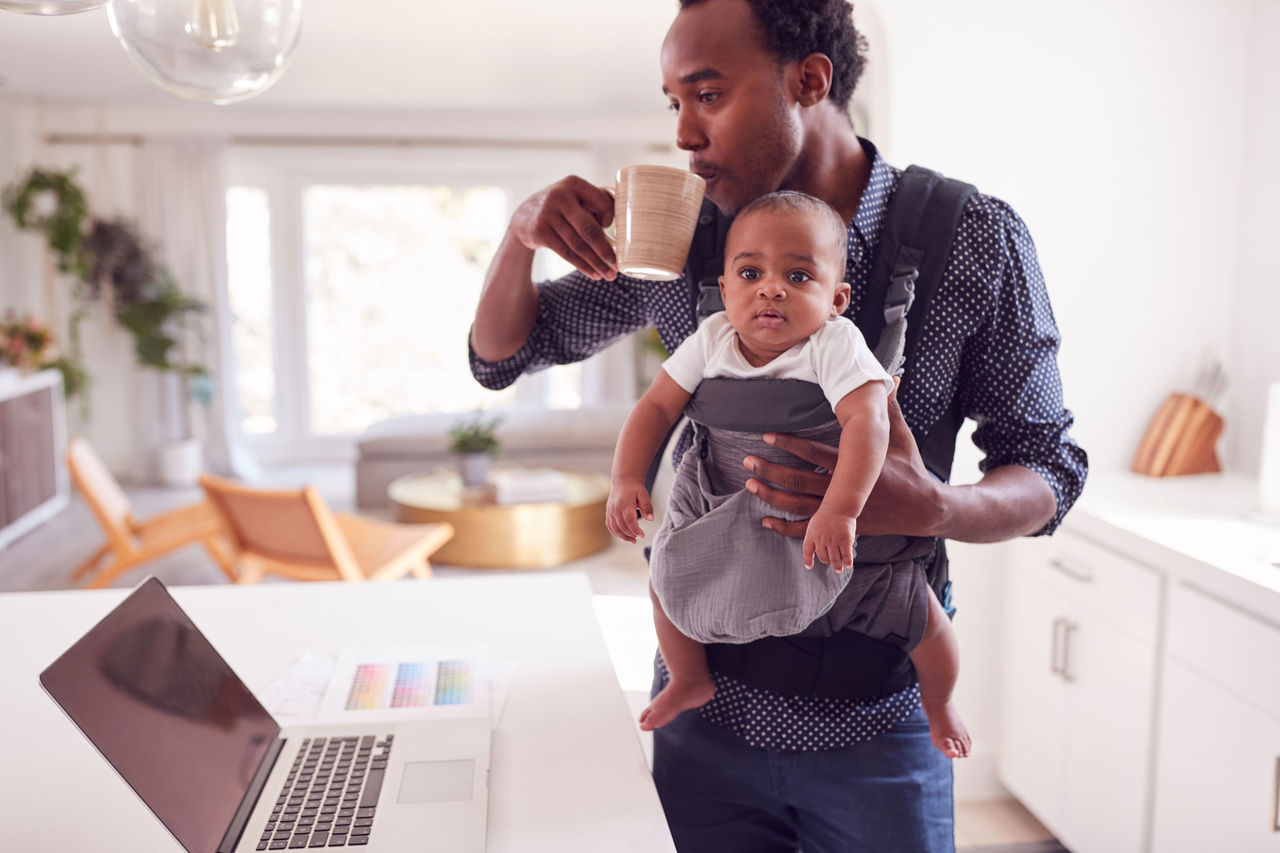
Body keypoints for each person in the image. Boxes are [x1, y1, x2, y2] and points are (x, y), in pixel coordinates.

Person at [469, 0, 1087, 848]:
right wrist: (517, 237)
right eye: (673, 102)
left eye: (708, 95)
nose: (684, 133)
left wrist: (935, 506)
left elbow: (1049, 468)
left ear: (810, 80)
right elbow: (504, 353)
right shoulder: (683, 236)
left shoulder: (971, 239)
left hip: (879, 721)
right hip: (705, 715)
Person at [604, 190, 971, 760]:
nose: (771, 288)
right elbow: (654, 408)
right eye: (750, 272)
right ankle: (688, 677)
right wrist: (626, 476)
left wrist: (840, 510)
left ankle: (941, 702)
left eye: (799, 276)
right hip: (723, 506)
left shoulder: (834, 345)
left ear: (837, 299)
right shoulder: (713, 340)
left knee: (922, 617)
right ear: (725, 291)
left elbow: (867, 422)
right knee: (666, 584)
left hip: (824, 528)